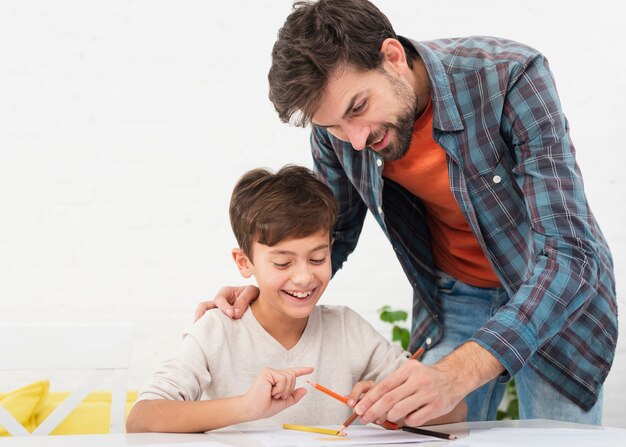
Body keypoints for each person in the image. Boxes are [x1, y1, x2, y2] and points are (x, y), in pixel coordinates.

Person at [197, 0, 617, 427]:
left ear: (393, 57)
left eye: (358, 108)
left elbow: (571, 254)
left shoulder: (510, 76)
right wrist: (269, 290)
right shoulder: (341, 132)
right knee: (419, 426)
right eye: (334, 127)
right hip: (454, 296)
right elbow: (331, 234)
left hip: (553, 292)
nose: (355, 141)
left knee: (558, 438)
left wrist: (457, 374)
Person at [126, 165, 465, 433]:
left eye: (317, 259)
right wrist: (246, 407)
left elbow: (455, 410)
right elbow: (141, 418)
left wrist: (395, 405)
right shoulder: (218, 331)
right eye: (283, 263)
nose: (304, 277)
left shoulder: (347, 329)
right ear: (245, 262)